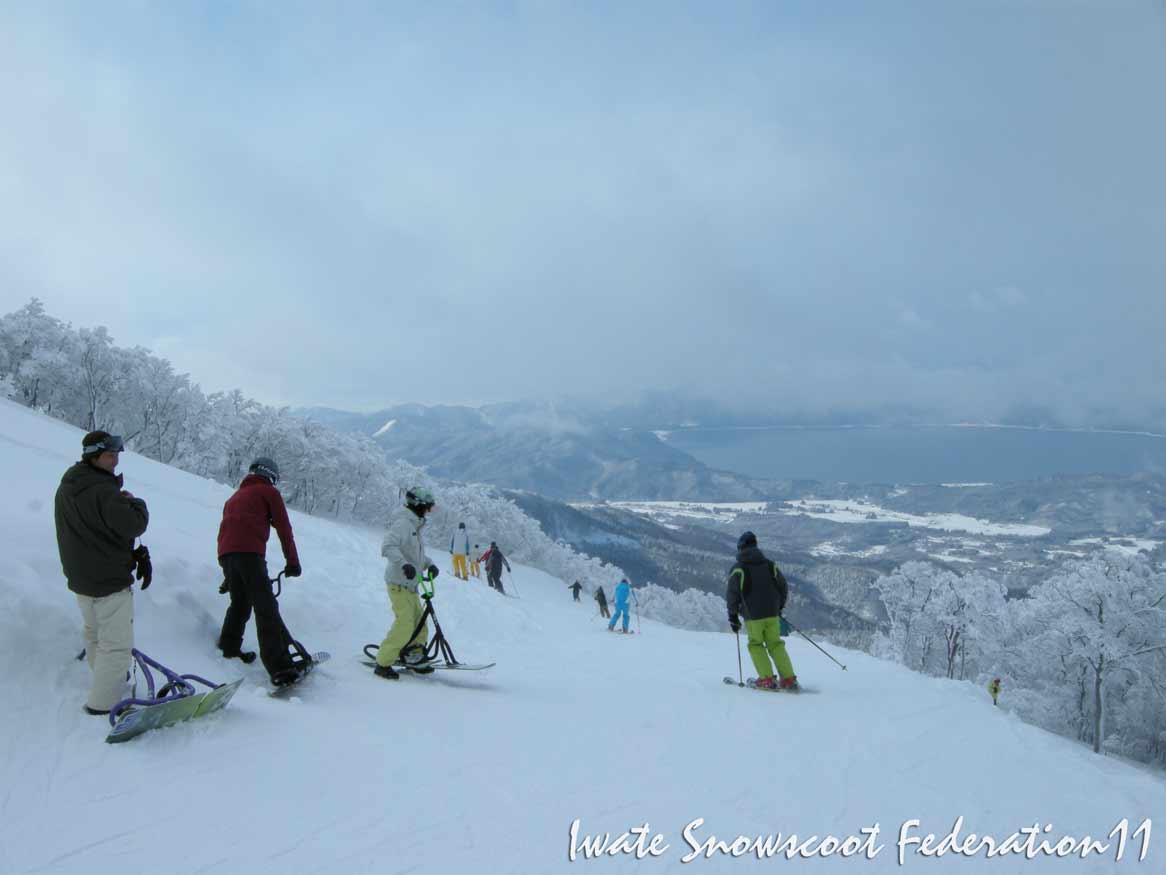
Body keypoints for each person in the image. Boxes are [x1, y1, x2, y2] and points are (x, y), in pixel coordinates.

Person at [55, 431, 150, 715]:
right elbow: (134, 525)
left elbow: (94, 528)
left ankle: (107, 681)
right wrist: (137, 504)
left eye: (117, 454)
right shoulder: (103, 490)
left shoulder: (69, 484)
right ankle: (102, 704)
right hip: (107, 578)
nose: (116, 460)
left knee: (95, 634)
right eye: (110, 455)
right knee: (117, 645)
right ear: (93, 455)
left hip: (81, 577)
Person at [216, 457, 309, 686]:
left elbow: (227, 532)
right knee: (266, 608)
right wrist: (293, 562)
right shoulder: (268, 492)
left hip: (227, 555)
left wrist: (229, 576)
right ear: (271, 475)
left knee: (240, 602)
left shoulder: (234, 497)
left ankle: (229, 647)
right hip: (250, 555)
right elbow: (284, 528)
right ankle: (280, 668)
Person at [373, 487, 440, 679]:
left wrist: (429, 564)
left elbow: (414, 554)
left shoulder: (415, 526)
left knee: (420, 624)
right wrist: (403, 565)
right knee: (405, 624)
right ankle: (382, 663)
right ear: (418, 506)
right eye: (427, 507)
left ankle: (414, 656)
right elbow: (387, 547)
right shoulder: (403, 524)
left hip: (411, 586)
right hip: (398, 583)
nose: (428, 511)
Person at [726, 531, 797, 690]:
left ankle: (767, 680)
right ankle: (789, 679)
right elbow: (783, 587)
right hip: (772, 615)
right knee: (776, 644)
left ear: (740, 548)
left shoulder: (738, 569)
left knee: (756, 645)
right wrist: (778, 607)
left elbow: (732, 595)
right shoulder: (770, 565)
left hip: (753, 616)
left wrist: (733, 617)